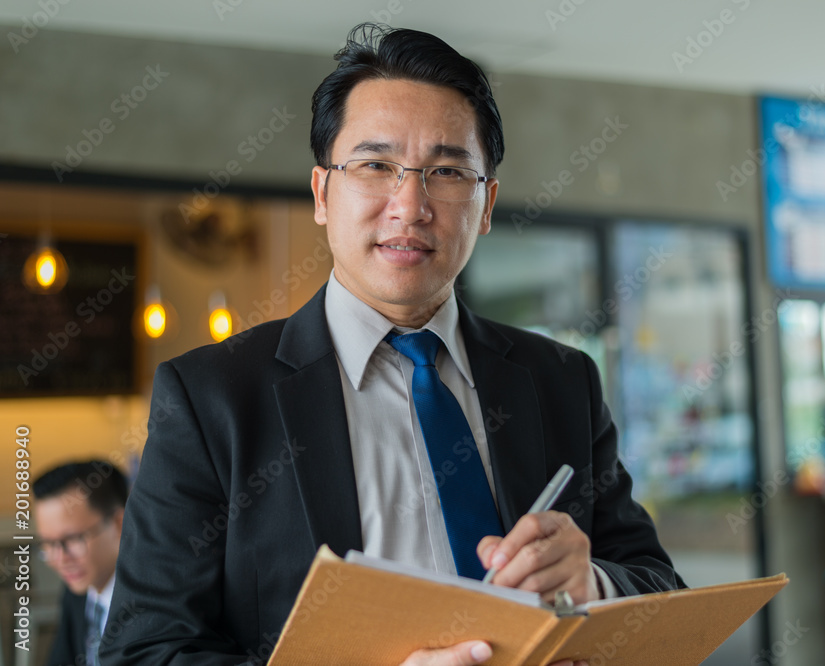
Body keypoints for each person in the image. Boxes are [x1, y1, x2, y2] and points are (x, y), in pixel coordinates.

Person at [102, 22, 684, 666]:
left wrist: (591, 583)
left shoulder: (560, 378)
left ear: (486, 205)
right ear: (323, 192)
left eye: (447, 170)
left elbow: (658, 588)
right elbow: (145, 651)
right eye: (376, 165)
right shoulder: (213, 397)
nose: (410, 205)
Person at [34, 460, 129, 666]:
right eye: (49, 544)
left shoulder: (155, 600)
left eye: (72, 540)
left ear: (119, 524)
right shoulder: (77, 594)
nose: (60, 559)